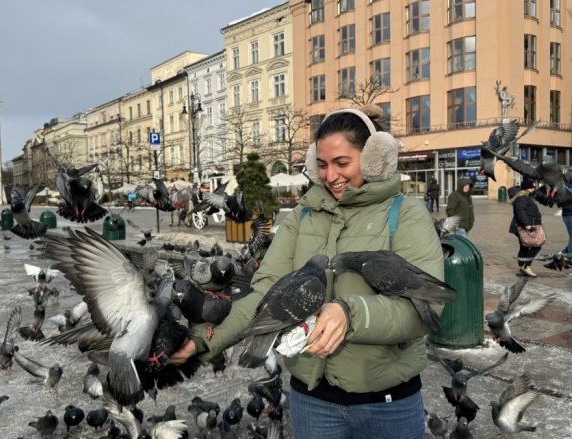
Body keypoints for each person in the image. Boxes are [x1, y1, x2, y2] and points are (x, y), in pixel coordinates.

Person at [170, 105, 444, 439]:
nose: (331, 176)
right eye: (323, 165)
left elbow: (424, 311)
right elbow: (265, 293)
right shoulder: (301, 217)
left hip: (387, 406)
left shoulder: (407, 215)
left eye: (342, 163)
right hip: (313, 403)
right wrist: (200, 339)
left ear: (373, 158)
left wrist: (350, 313)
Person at [509, 178, 543, 277]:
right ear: (528, 189)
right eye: (532, 188)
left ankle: (522, 267)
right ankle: (526, 267)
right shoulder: (523, 198)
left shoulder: (524, 197)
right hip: (525, 226)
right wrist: (527, 224)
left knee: (524, 246)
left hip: (523, 225)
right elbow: (521, 211)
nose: (534, 190)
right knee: (537, 245)